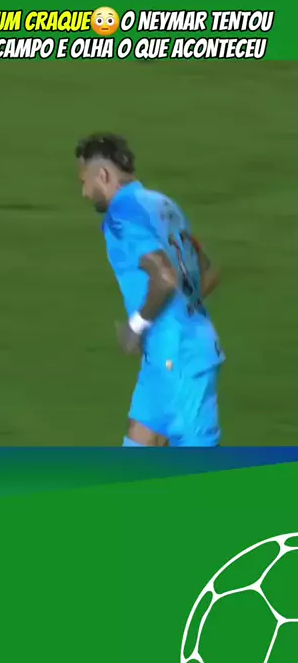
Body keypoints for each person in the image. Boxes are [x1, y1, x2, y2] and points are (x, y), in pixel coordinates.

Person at [75, 133, 224, 447]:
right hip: (168, 354)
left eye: (84, 181)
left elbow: (165, 278)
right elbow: (209, 273)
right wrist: (181, 314)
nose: (84, 192)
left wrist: (136, 326)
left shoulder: (121, 216)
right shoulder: (163, 205)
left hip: (179, 360)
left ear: (103, 175)